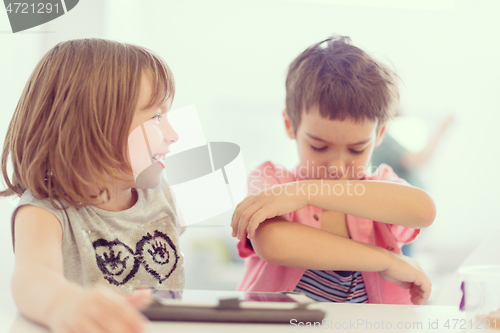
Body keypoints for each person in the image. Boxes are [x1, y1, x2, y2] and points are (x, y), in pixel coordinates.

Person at [231, 36, 436, 305]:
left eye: (356, 149)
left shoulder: (380, 187)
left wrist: (306, 191)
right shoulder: (273, 181)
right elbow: (273, 242)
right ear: (290, 125)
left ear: (380, 134)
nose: (337, 168)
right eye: (319, 146)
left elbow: (424, 211)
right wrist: (385, 260)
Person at [0, 39, 184, 333]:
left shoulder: (159, 194)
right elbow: (31, 278)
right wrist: (61, 304)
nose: (173, 134)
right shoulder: (45, 212)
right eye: (157, 117)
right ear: (92, 123)